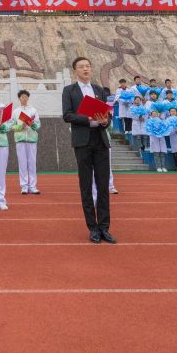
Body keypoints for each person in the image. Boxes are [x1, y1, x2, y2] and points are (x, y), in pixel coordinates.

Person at [61, 57, 116, 244]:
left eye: (88, 66)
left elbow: (108, 115)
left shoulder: (99, 90)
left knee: (103, 186)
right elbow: (67, 115)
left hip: (100, 141)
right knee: (86, 186)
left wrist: (105, 121)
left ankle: (104, 227)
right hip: (82, 141)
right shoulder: (69, 91)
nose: (86, 69)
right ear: (75, 71)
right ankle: (92, 228)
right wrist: (88, 119)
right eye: (81, 67)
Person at [11, 89, 40, 195]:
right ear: (19, 98)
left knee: (32, 164)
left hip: (32, 140)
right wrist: (21, 126)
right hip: (20, 140)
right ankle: (24, 186)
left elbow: (38, 125)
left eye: (26, 97)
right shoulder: (15, 111)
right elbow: (11, 125)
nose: (24, 98)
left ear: (28, 98)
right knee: (22, 163)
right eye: (22, 97)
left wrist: (32, 124)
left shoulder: (33, 110)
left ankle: (32, 186)